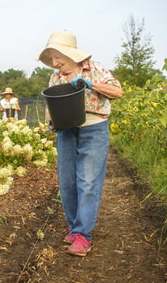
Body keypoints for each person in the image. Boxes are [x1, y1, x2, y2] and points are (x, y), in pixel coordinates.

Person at [37, 30, 123, 256]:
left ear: (69, 54)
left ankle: (83, 235)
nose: (55, 64)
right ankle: (74, 228)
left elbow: (117, 91)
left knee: (87, 180)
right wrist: (51, 122)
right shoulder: (56, 77)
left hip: (93, 129)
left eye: (57, 58)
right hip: (65, 130)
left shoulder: (94, 69)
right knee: (67, 183)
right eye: (52, 59)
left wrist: (89, 84)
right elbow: (50, 106)